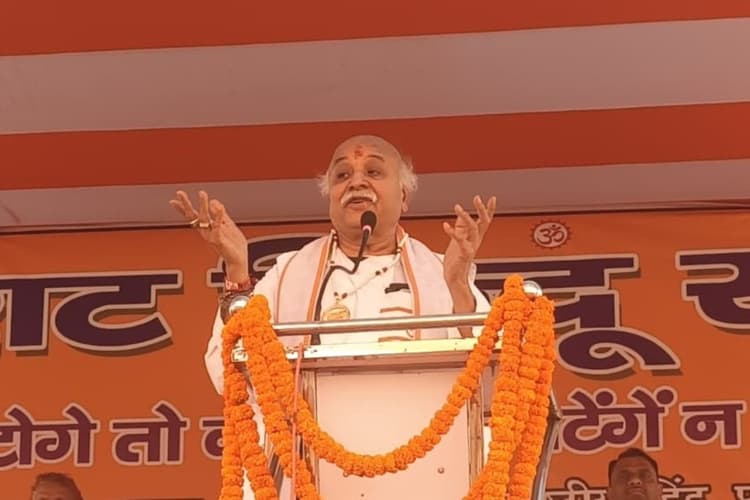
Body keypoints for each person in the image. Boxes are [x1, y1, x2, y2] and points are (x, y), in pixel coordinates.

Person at [170, 134, 497, 498]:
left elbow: (488, 378)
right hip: (304, 474)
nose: (356, 182)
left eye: (373, 171)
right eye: (342, 175)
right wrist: (236, 271)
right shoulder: (290, 272)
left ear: (404, 195)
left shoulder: (442, 272)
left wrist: (458, 286)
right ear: (330, 199)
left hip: (427, 474)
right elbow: (228, 370)